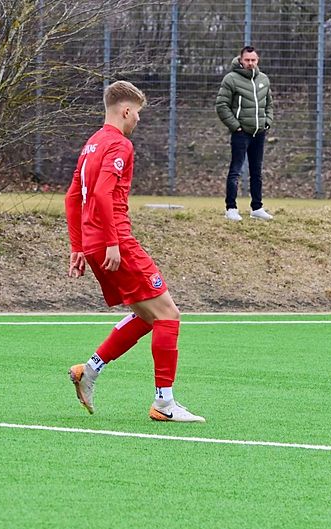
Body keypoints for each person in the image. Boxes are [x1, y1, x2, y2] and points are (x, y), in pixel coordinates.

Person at [65, 81, 204, 422]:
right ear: (126, 110)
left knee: (148, 317)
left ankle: (90, 370)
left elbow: (73, 196)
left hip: (95, 243)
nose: (138, 119)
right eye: (138, 112)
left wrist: (79, 246)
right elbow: (99, 194)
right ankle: (164, 404)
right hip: (116, 243)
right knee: (169, 316)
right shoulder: (119, 144)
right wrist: (113, 240)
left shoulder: (91, 144)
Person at [215, 45, 274, 222]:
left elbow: (269, 104)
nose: (250, 63)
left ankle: (257, 207)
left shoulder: (263, 79)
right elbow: (221, 105)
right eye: (247, 60)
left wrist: (267, 122)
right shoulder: (231, 79)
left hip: (259, 132)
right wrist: (236, 126)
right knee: (236, 170)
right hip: (241, 133)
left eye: (253, 60)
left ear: (257, 61)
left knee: (256, 171)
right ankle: (231, 208)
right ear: (241, 60)